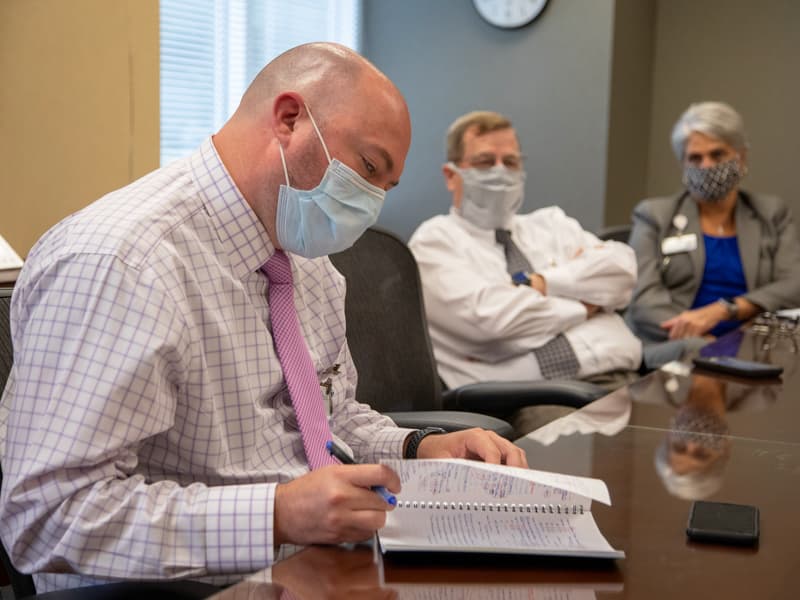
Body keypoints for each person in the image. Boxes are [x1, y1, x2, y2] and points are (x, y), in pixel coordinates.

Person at [0, 44, 526, 593]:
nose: (371, 203)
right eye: (368, 169)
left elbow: (327, 418)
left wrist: (418, 448)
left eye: (384, 188)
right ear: (289, 118)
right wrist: (274, 514)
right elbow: (44, 518)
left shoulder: (306, 260)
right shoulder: (123, 263)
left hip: (315, 567)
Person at [408, 110, 642, 391]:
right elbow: (492, 324)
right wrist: (586, 305)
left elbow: (622, 270)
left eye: (510, 161)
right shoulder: (434, 242)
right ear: (451, 175)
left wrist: (542, 284)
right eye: (484, 162)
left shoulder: (551, 224)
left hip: (624, 376)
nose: (500, 171)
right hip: (528, 398)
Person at [626, 101, 800, 365]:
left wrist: (725, 310)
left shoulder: (770, 213)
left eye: (717, 155)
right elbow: (644, 303)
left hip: (753, 349)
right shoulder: (654, 216)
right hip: (676, 349)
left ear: (741, 157)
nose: (706, 166)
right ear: (683, 163)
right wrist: (705, 340)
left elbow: (793, 285)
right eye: (695, 158)